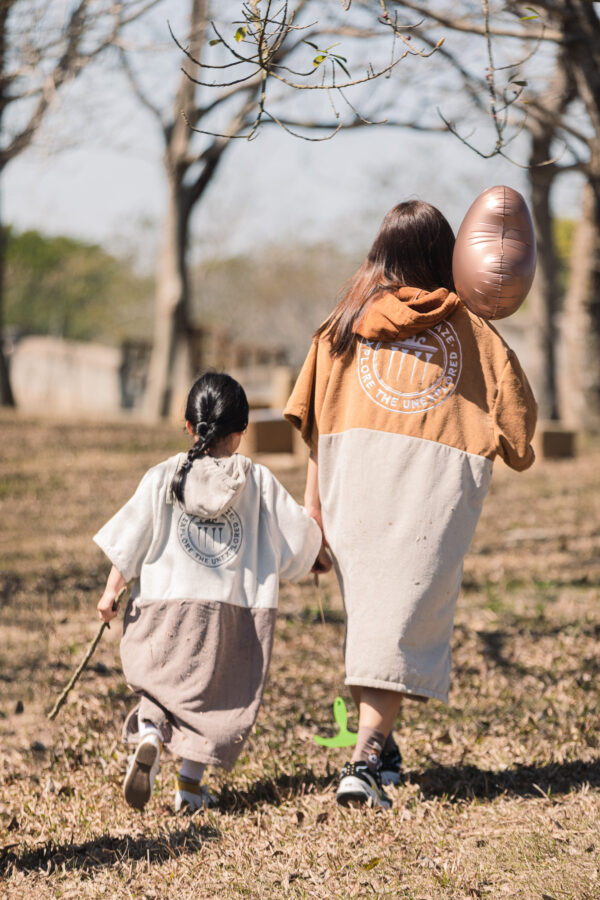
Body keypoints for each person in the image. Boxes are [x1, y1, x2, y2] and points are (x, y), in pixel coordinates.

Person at [284, 200, 537, 809]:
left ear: (381, 254)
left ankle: (381, 751)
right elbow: (520, 437)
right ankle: (365, 762)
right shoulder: (475, 333)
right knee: (389, 631)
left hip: (351, 500)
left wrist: (313, 511)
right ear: (447, 255)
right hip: (428, 507)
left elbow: (314, 427)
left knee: (376, 629)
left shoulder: (340, 327)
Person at [94, 372, 328, 812]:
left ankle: (150, 733)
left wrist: (110, 593)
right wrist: (318, 550)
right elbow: (298, 538)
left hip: (162, 611)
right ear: (241, 432)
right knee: (212, 703)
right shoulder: (258, 482)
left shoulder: (164, 475)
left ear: (189, 425)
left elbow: (130, 540)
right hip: (230, 620)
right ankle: (189, 787)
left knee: (160, 687)